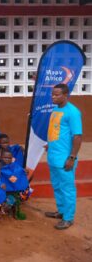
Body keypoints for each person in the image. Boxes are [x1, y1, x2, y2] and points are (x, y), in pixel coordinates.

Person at [45, 83, 82, 230]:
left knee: (67, 188)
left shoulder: (73, 112)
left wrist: (72, 157)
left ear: (65, 95)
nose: (53, 97)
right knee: (57, 186)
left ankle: (68, 218)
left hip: (65, 159)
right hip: (53, 156)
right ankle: (61, 211)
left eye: (57, 94)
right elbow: (57, 131)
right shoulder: (55, 109)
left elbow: (77, 136)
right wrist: (50, 144)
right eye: (52, 94)